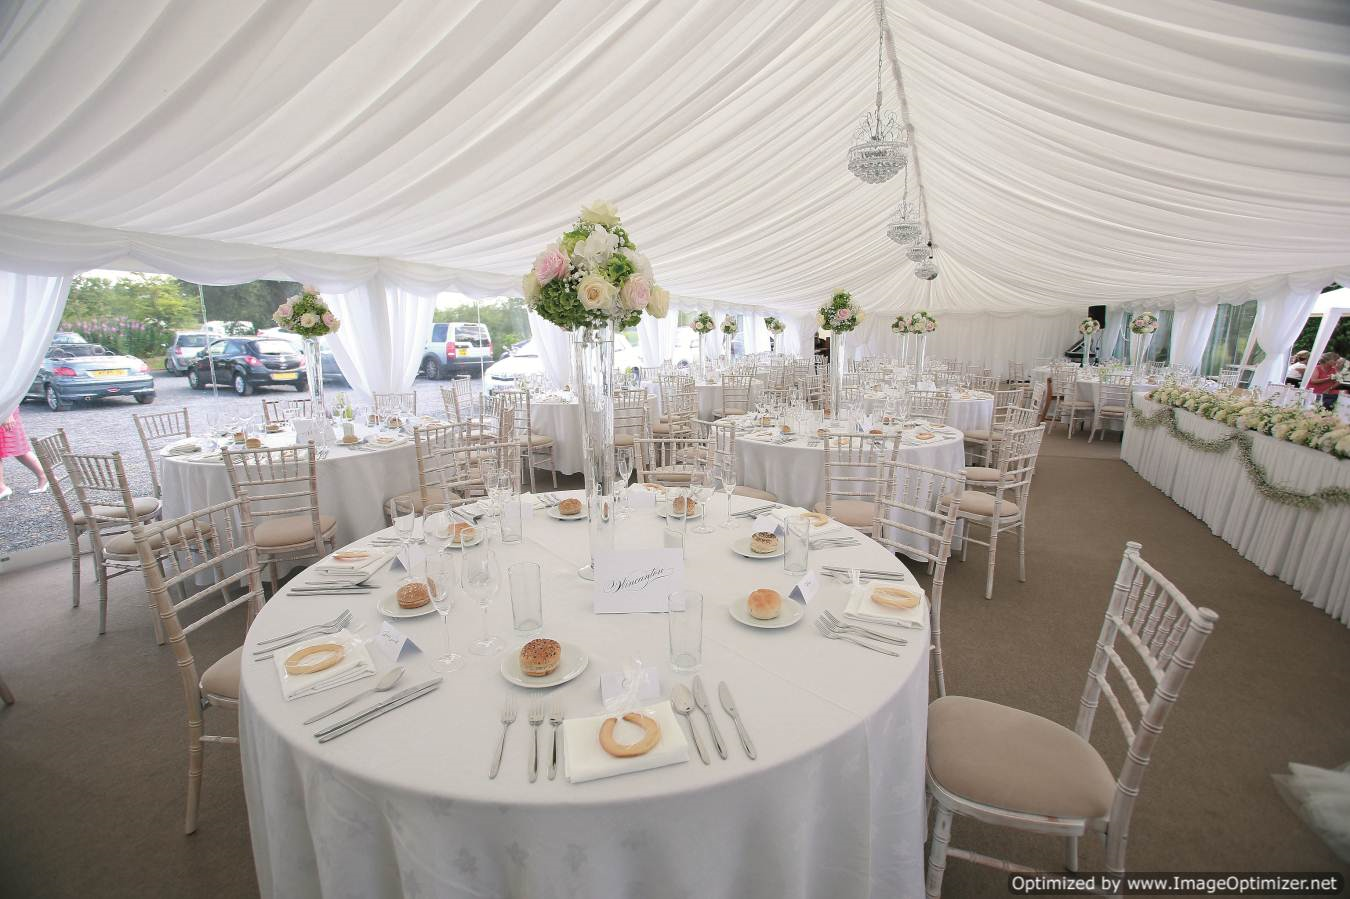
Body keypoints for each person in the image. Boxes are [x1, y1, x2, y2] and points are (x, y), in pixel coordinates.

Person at [0, 408, 49, 500]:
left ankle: (1, 489)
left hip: (4, 409)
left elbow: (8, 397)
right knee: (17, 448)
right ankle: (44, 476)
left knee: (17, 447)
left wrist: (7, 413)